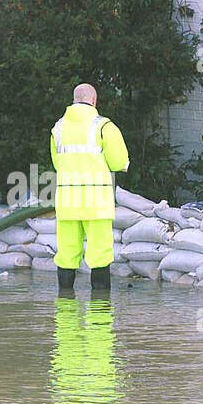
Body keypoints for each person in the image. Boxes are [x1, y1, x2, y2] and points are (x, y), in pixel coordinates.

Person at [50, 83, 130, 294]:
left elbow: (57, 163)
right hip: (96, 204)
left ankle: (66, 314)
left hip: (67, 203)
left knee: (66, 255)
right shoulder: (104, 126)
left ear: (74, 100)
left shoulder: (57, 128)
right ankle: (99, 314)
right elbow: (119, 162)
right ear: (94, 101)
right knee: (99, 255)